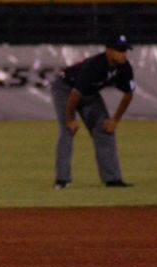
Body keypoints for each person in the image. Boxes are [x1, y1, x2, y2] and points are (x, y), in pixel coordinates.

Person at [52, 32, 136, 189]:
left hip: (89, 93)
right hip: (65, 88)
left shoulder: (124, 67)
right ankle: (62, 180)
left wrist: (114, 120)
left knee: (105, 129)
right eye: (119, 50)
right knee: (67, 130)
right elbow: (75, 95)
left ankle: (112, 179)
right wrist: (70, 119)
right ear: (108, 50)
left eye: (125, 50)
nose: (123, 54)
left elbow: (128, 95)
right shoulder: (95, 66)